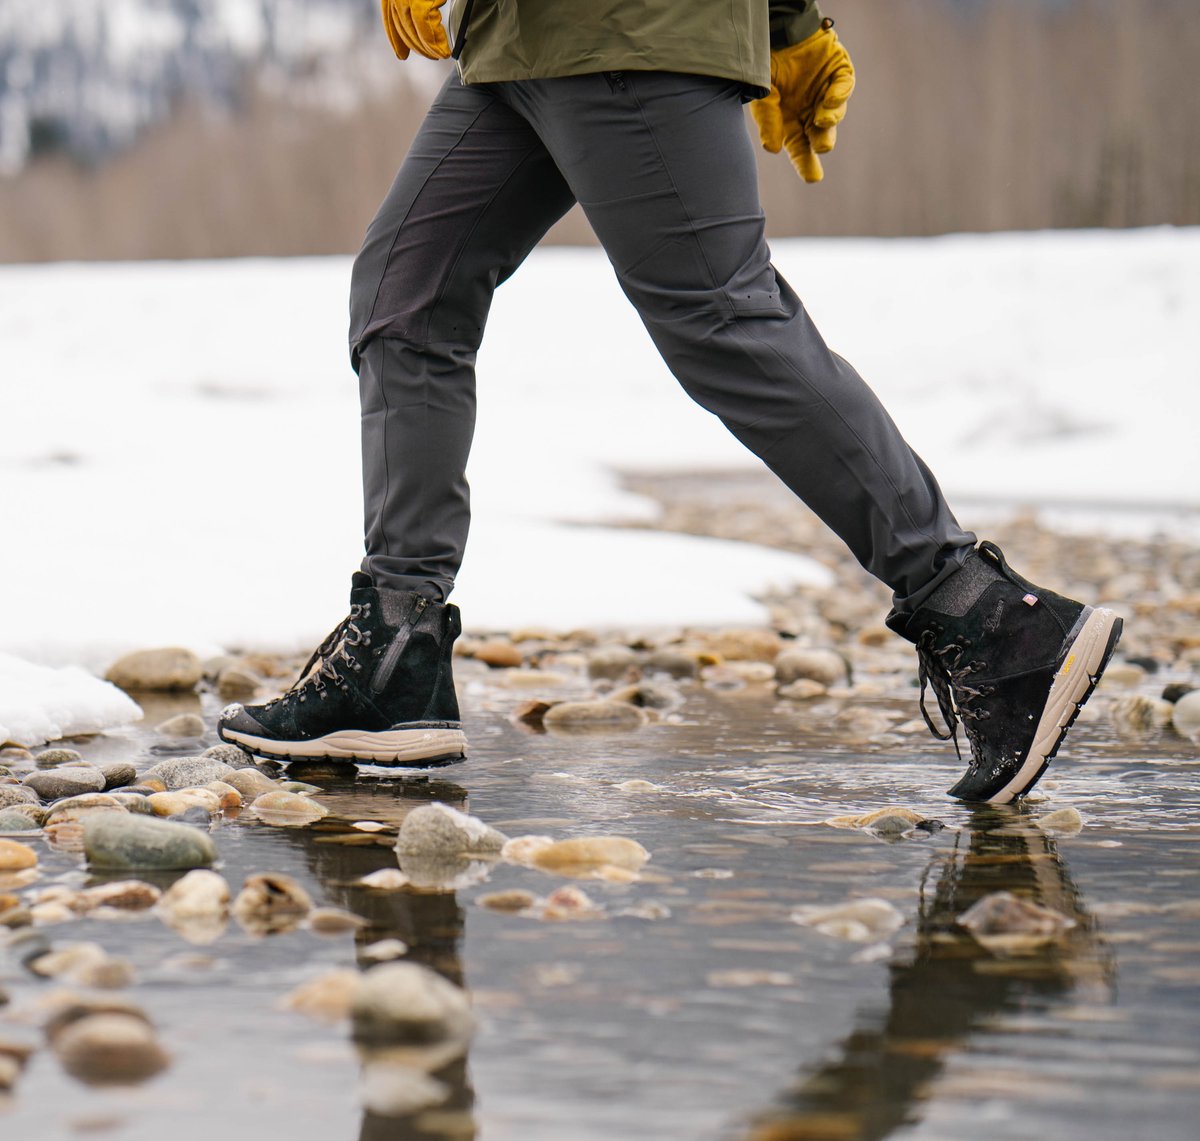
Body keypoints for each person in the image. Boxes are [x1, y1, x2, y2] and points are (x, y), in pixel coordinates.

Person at [218, 0, 1122, 803]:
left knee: (721, 320)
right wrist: (788, 24)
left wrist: (786, 26)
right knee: (404, 297)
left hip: (626, 29)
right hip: (516, 39)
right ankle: (394, 652)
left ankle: (986, 617)